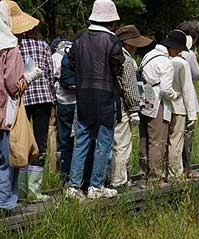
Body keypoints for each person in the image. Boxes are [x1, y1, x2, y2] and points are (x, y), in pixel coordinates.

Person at [66, 0, 124, 199]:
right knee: (104, 141)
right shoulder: (113, 41)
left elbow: (71, 64)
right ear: (111, 21)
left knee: (81, 140)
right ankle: (96, 186)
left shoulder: (79, 38)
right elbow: (118, 68)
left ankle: (74, 186)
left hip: (83, 96)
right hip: (106, 96)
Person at [5, 0, 53, 201]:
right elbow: (49, 73)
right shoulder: (42, 45)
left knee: (22, 142)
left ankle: (20, 188)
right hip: (43, 98)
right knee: (39, 143)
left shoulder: (12, 46)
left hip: (21, 99)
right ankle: (33, 190)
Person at [138, 30, 187, 187]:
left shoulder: (149, 55)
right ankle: (155, 179)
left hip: (145, 100)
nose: (179, 53)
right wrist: (175, 95)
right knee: (158, 141)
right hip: (158, 103)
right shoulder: (166, 62)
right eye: (179, 49)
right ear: (173, 47)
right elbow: (166, 89)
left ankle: (143, 176)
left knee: (145, 138)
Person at [108, 25, 152, 189]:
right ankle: (119, 180)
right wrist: (135, 108)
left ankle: (113, 177)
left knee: (112, 143)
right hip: (122, 107)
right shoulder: (125, 59)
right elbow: (130, 86)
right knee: (122, 144)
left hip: (109, 105)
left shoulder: (111, 55)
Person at [0, 1, 25, 213]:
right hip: (3, 112)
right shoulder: (9, 45)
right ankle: (5, 204)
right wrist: (28, 78)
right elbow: (12, 84)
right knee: (7, 161)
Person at [168, 35, 199, 178]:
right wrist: (192, 114)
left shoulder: (167, 61)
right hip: (180, 107)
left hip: (167, 106)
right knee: (177, 141)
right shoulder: (182, 63)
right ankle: (176, 172)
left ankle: (167, 170)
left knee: (168, 140)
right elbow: (187, 89)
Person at [177, 21, 199, 177]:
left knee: (174, 136)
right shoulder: (188, 53)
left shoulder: (171, 47)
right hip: (187, 100)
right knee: (187, 135)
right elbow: (198, 74)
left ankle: (173, 169)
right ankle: (186, 169)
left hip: (172, 100)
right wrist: (195, 57)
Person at [51, 38, 76, 183]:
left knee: (64, 139)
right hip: (80, 101)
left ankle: (63, 175)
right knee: (82, 138)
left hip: (63, 101)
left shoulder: (55, 57)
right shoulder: (79, 52)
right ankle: (79, 173)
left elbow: (52, 79)